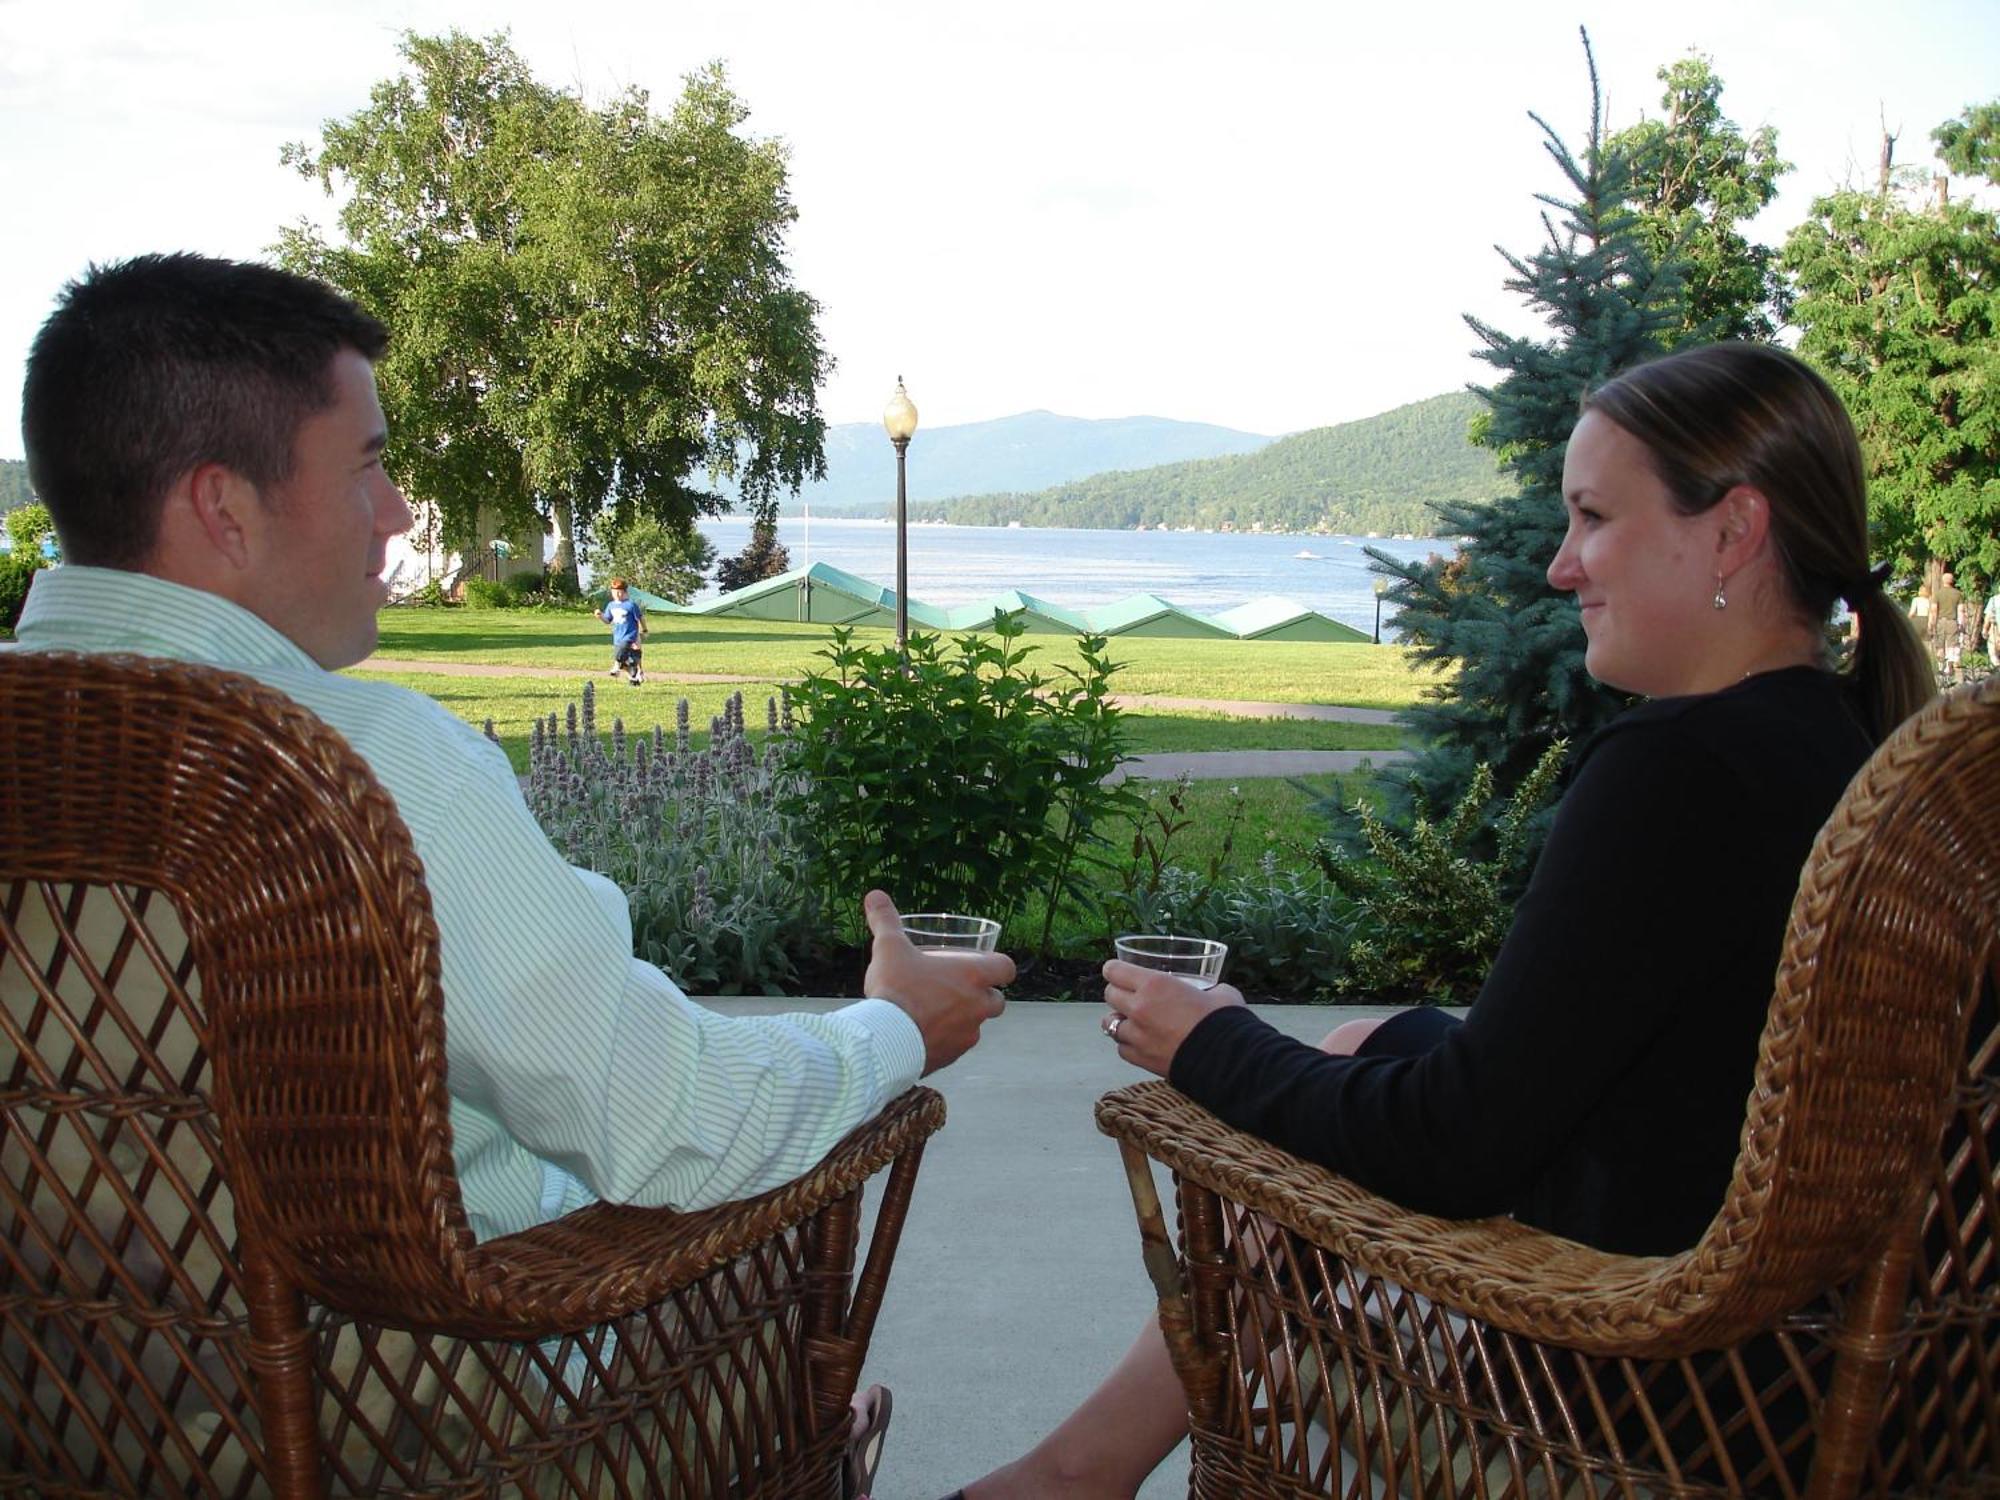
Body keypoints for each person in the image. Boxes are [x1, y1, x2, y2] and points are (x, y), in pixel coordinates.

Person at [953, 342, 1935, 1500]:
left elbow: (1455, 1145)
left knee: (1303, 1100)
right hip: (1824, 1371)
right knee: (1367, 1041)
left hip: (1642, 1394)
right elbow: (1658, 1078)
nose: (1561, 567)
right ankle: (1077, 1471)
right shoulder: (1856, 755)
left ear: (1728, 532)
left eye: (1590, 518)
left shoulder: (1681, 772)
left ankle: (1072, 1474)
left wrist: (1205, 1042)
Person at [10, 252, 1013, 1242]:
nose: (398, 514)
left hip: (74, 1383)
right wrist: (892, 1028)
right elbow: (675, 1126)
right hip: (405, 1384)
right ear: (223, 508)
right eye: (366, 466)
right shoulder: (357, 771)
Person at [601, 575, 647, 684]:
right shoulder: (611, 605)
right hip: (618, 637)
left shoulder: (630, 605)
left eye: (620, 592)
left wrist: (644, 630)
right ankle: (633, 677)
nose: (617, 594)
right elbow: (607, 620)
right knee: (627, 661)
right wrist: (600, 616)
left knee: (620, 656)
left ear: (625, 592)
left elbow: (640, 618)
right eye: (614, 591)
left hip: (629, 636)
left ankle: (616, 667)